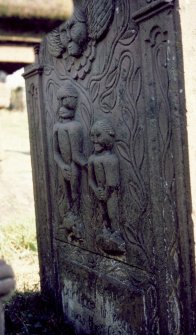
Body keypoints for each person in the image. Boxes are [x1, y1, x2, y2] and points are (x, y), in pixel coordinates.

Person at [88, 119, 125, 255]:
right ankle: (105, 231)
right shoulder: (92, 159)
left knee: (113, 214)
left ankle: (116, 235)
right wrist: (96, 190)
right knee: (103, 213)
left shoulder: (111, 159)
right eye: (92, 136)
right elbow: (90, 179)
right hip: (99, 192)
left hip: (111, 194)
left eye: (98, 136)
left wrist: (105, 192)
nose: (95, 140)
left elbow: (113, 183)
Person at [53, 82, 87, 215]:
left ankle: (75, 216)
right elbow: (56, 152)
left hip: (72, 166)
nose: (61, 104)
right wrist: (62, 166)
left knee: (74, 194)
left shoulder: (74, 126)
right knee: (68, 196)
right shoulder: (58, 127)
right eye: (59, 100)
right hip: (66, 166)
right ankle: (71, 217)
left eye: (64, 99)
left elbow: (75, 156)